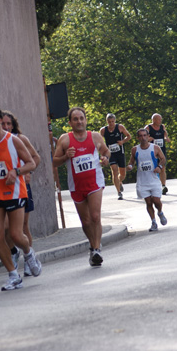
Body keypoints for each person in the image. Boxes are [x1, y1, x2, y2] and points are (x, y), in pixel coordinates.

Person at [0, 105, 42, 291]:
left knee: (16, 235)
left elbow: (31, 163)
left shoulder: (13, 141)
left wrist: (16, 172)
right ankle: (13, 275)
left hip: (14, 192)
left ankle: (28, 253)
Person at [52, 107, 110, 266]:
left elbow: (106, 151)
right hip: (76, 186)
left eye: (81, 118)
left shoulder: (95, 137)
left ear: (85, 119)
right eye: (75, 119)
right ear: (70, 122)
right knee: (85, 222)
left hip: (95, 183)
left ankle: (97, 249)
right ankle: (93, 246)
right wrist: (65, 156)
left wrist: (105, 158)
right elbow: (54, 161)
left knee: (95, 216)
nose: (79, 121)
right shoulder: (65, 140)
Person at [1, 110, 41, 277]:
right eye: (3, 124)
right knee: (6, 229)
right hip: (2, 190)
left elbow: (35, 158)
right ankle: (13, 252)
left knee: (23, 226)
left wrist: (26, 172)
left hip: (22, 188)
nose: (5, 127)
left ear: (13, 125)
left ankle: (28, 259)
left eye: (8, 124)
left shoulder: (20, 139)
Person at [127, 128, 168, 232]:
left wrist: (160, 167)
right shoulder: (135, 149)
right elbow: (131, 161)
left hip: (154, 179)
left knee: (156, 201)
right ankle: (153, 222)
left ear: (148, 136)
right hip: (142, 181)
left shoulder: (155, 148)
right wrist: (130, 166)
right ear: (138, 138)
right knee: (148, 203)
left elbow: (163, 159)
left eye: (145, 135)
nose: (143, 138)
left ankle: (160, 212)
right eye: (140, 136)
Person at [99, 113, 131, 200]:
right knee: (114, 171)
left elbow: (129, 136)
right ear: (107, 121)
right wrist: (102, 153)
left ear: (115, 121)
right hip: (110, 153)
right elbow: (99, 142)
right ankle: (119, 192)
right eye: (109, 122)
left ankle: (120, 182)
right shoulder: (103, 130)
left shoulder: (120, 127)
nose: (111, 123)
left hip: (120, 152)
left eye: (112, 121)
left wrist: (122, 142)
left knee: (122, 173)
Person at [146, 113, 171, 195]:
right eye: (159, 119)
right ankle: (152, 186)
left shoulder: (162, 127)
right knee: (152, 168)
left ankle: (163, 186)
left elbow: (165, 134)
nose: (160, 121)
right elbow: (142, 137)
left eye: (161, 119)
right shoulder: (148, 127)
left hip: (161, 150)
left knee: (162, 167)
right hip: (152, 151)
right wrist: (149, 139)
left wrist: (166, 138)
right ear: (154, 120)